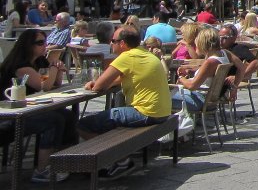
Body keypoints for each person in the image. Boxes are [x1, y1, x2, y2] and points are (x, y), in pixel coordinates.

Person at [80, 25, 172, 180]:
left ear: (122, 43)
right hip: (161, 111)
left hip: (145, 112)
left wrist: (94, 84)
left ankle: (115, 161)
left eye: (113, 41)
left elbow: (99, 86)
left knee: (83, 125)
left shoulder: (127, 57)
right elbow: (120, 79)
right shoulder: (145, 54)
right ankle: (116, 158)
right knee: (108, 119)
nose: (111, 44)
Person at [0, 29, 77, 182]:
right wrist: (54, 68)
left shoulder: (40, 61)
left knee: (67, 115)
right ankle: (42, 170)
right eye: (40, 43)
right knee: (54, 120)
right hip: (11, 117)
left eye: (45, 42)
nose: (45, 46)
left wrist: (58, 69)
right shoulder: (20, 67)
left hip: (30, 110)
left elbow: (55, 83)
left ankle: (64, 161)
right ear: (28, 45)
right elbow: (44, 86)